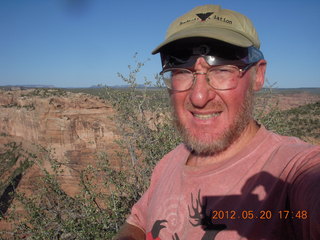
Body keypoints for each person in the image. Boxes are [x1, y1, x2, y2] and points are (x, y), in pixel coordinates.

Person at [115, 4, 320, 240]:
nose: (199, 97)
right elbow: (138, 221)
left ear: (258, 76)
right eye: (182, 72)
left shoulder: (290, 171)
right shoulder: (169, 162)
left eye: (222, 71)